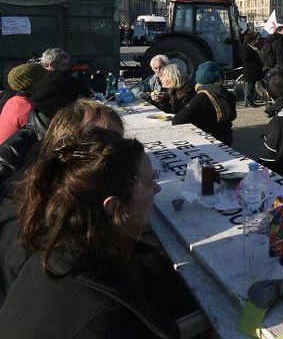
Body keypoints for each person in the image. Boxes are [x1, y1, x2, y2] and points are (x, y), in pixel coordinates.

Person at [0, 128, 182, 337]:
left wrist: (145, 271)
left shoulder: (53, 251)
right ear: (114, 208)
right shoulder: (111, 319)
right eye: (149, 182)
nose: (158, 189)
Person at [0, 99, 124, 306]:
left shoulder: (43, 178)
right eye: (104, 143)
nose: (119, 154)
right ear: (68, 148)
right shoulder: (57, 213)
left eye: (119, 143)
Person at [0, 72, 90, 185]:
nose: (87, 115)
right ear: (62, 112)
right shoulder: (14, 155)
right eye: (82, 109)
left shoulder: (65, 138)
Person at [172, 60, 237, 145]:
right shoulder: (228, 94)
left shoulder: (202, 97)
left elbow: (177, 120)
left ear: (200, 77)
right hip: (226, 139)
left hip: (209, 142)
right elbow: (232, 116)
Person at [0, 63, 46, 144]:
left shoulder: (12, 100)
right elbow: (42, 137)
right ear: (34, 82)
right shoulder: (28, 108)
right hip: (14, 153)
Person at [241, 31, 264, 107]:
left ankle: (250, 101)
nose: (257, 41)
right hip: (250, 71)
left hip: (253, 71)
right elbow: (247, 60)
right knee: (249, 87)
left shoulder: (252, 47)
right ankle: (248, 102)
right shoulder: (246, 48)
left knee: (251, 87)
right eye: (255, 39)